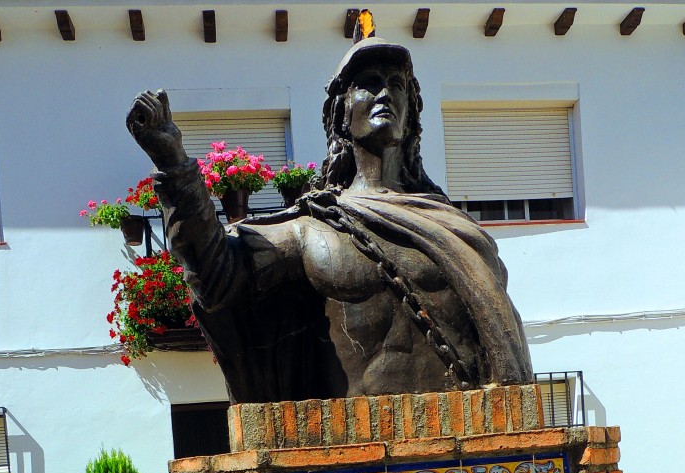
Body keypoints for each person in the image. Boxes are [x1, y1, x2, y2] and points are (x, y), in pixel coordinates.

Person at [126, 36, 533, 404]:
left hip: (470, 451)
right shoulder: (312, 228)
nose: (384, 93)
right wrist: (174, 165)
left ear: (411, 113)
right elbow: (216, 277)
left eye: (396, 84)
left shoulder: (457, 230)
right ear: (342, 113)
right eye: (369, 82)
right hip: (345, 464)